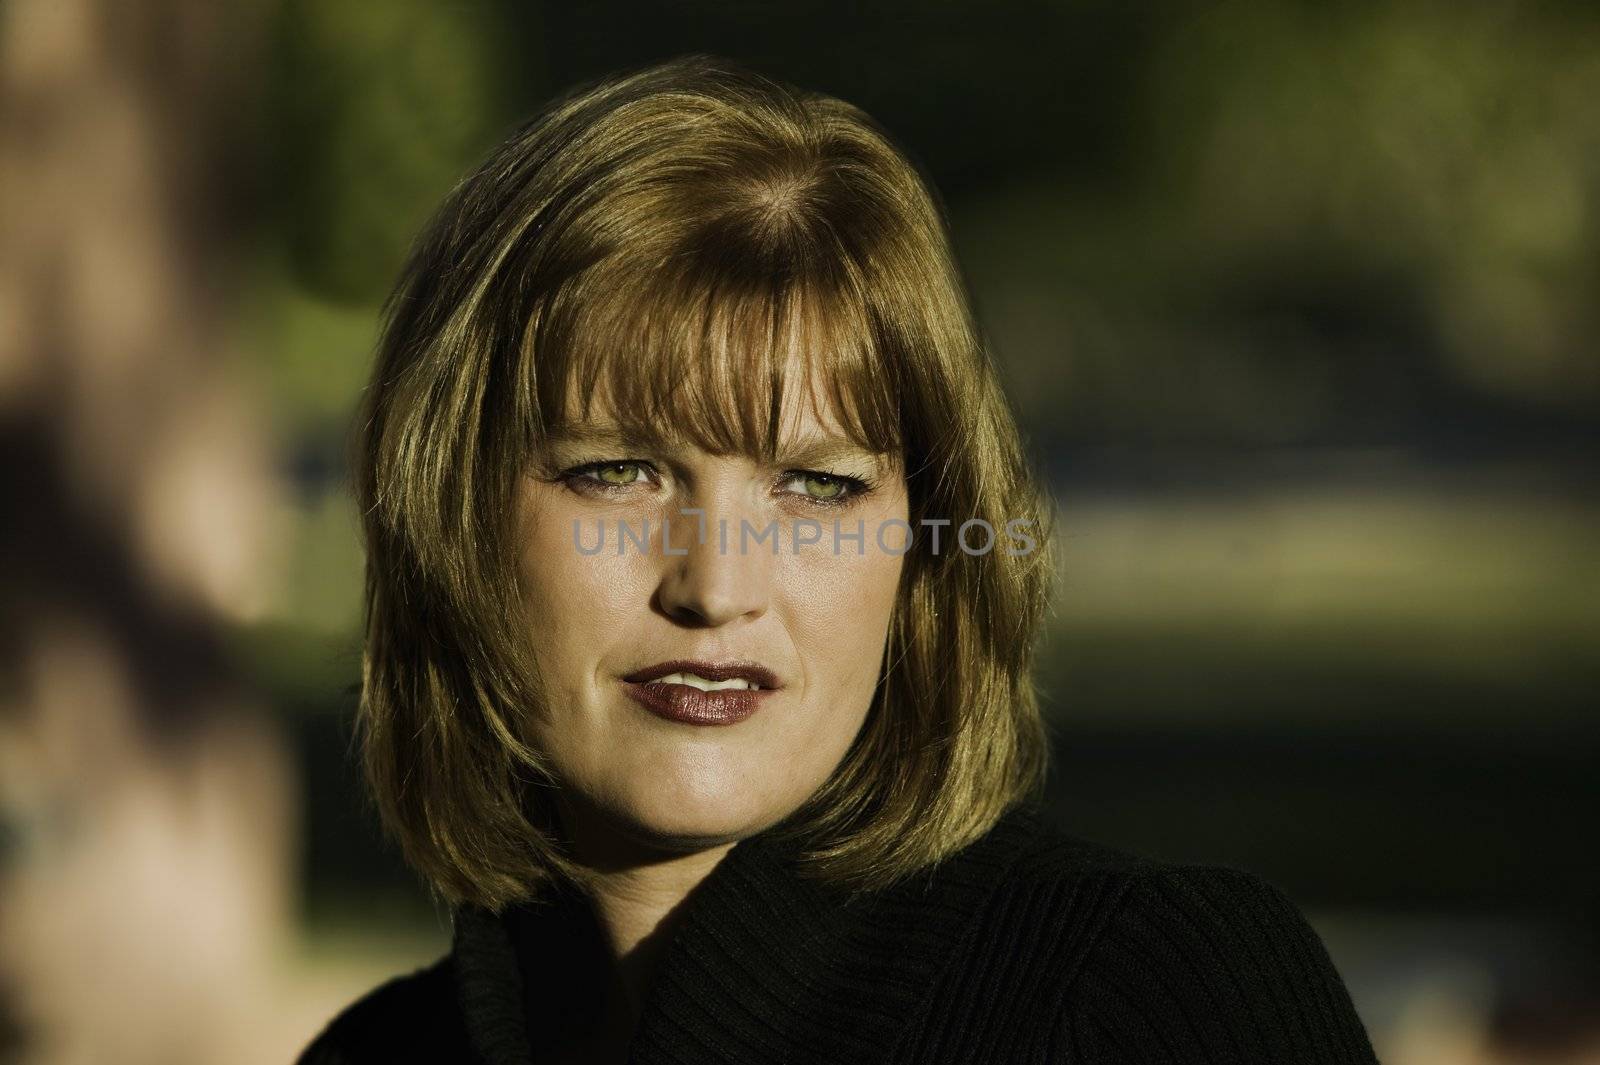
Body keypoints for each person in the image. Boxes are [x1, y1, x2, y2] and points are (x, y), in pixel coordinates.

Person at [297, 54, 1381, 1064]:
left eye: (817, 486)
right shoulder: (379, 1055)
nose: (715, 588)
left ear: (922, 549)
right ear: (448, 514)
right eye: (618, 472)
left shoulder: (1149, 990)